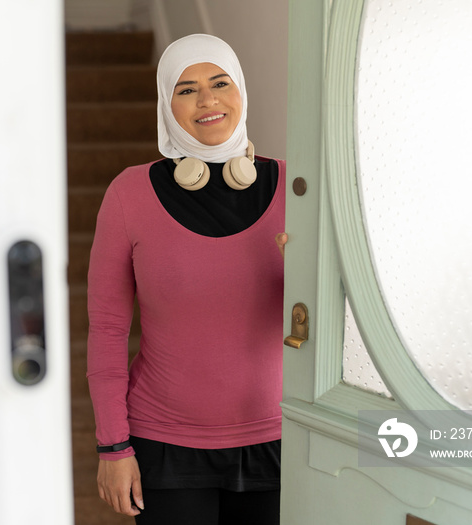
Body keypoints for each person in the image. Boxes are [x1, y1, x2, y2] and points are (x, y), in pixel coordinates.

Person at [87, 33, 287, 525]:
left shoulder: (294, 186)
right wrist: (113, 447)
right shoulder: (128, 194)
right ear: (166, 104)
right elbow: (108, 330)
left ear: (240, 89)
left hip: (281, 438)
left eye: (220, 82)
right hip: (165, 445)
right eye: (186, 88)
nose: (208, 100)